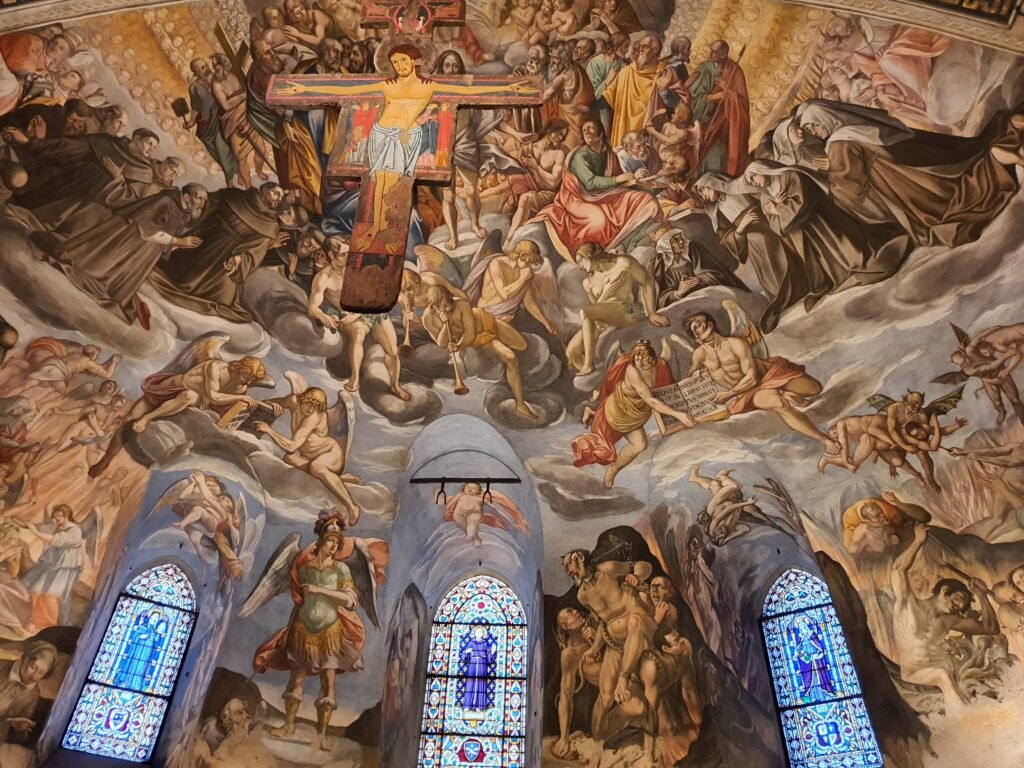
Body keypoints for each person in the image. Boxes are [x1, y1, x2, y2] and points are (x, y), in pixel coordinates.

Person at [274, 43, 540, 250]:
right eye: (395, 62)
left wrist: (511, 88)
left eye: (403, 61)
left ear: (415, 62)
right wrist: (299, 89)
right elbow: (345, 90)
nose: (399, 66)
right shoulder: (387, 84)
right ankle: (373, 231)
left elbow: (469, 92)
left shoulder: (430, 86)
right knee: (378, 185)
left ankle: (391, 234)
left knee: (394, 187)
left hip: (407, 138)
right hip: (382, 136)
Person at [253, 514, 368, 751]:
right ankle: (288, 725)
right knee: (296, 679)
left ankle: (322, 735)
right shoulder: (304, 569)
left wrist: (320, 590)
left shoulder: (341, 569)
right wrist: (287, 632)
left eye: (337, 542)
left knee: (328, 683)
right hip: (302, 629)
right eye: (330, 540)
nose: (334, 545)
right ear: (321, 541)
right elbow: (299, 604)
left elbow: (350, 601)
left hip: (330, 632)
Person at [88, 355, 281, 477]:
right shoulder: (216, 368)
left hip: (189, 402)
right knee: (130, 421)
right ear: (238, 368)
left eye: (251, 381)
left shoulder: (241, 386)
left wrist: (266, 408)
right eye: (245, 377)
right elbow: (214, 396)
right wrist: (241, 398)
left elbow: (228, 406)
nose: (246, 383)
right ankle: (106, 459)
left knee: (190, 399)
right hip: (167, 391)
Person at [54, 183, 208, 326]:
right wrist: (176, 241)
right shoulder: (166, 201)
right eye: (199, 198)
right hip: (130, 241)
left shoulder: (184, 214)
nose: (202, 203)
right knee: (99, 267)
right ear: (186, 197)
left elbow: (168, 237)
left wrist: (177, 243)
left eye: (204, 200)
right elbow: (147, 227)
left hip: (145, 251)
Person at [686, 312, 839, 454]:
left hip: (766, 375)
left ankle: (786, 391)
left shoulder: (736, 344)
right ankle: (823, 439)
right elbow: (691, 376)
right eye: (693, 331)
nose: (696, 332)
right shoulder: (699, 354)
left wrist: (728, 394)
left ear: (710, 324)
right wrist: (695, 374)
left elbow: (752, 378)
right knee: (779, 404)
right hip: (749, 392)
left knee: (814, 389)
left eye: (697, 326)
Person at [560, 546, 653, 758]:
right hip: (614, 643)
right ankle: (597, 745)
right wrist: (594, 648)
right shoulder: (582, 595)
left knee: (634, 620)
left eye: (569, 565)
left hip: (639, 627)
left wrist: (636, 576)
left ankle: (624, 677)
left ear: (580, 558)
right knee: (604, 697)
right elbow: (603, 622)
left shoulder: (609, 569)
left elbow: (645, 567)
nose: (567, 571)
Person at [891, 524, 999, 706]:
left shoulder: (950, 620)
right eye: (959, 598)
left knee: (947, 674)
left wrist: (982, 596)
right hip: (913, 670)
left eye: (961, 606)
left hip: (941, 664)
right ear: (944, 590)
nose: (959, 606)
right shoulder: (908, 602)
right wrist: (918, 541)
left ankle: (970, 714)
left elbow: (990, 628)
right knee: (942, 675)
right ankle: (966, 717)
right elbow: (898, 569)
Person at [149, 182, 285, 322]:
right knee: (174, 272)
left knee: (222, 298)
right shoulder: (236, 195)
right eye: (276, 193)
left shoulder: (271, 225)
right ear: (264, 190)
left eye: (281, 197)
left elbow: (256, 249)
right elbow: (208, 204)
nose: (279, 198)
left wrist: (239, 258)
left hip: (229, 259)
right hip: (207, 241)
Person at [529, 118, 662, 260]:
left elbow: (619, 181)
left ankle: (629, 242)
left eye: (590, 128)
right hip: (579, 199)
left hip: (606, 194)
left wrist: (634, 179)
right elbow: (590, 183)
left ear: (600, 132)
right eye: (584, 129)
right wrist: (617, 179)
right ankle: (597, 254)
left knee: (646, 200)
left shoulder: (609, 154)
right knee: (599, 221)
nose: (586, 131)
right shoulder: (580, 156)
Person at [572, 340, 694, 487]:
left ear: (653, 358)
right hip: (619, 412)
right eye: (636, 358)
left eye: (644, 358)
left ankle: (613, 467)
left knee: (640, 445)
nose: (640, 362)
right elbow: (651, 401)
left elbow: (665, 385)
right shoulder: (632, 371)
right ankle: (613, 467)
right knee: (604, 446)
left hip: (637, 415)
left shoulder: (660, 366)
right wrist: (678, 414)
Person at [307, 234, 410, 399]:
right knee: (359, 333)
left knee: (392, 349)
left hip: (368, 309)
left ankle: (395, 385)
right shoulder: (324, 277)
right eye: (343, 254)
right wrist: (323, 316)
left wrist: (357, 315)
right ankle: (355, 379)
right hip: (344, 313)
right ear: (331, 255)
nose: (349, 258)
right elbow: (312, 307)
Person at [256, 376, 364, 525]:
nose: (311, 410)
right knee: (289, 458)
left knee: (315, 467)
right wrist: (274, 405)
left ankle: (352, 506)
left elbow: (292, 446)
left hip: (331, 455)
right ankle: (337, 478)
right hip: (311, 458)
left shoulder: (314, 417)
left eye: (316, 408)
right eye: (309, 405)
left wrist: (270, 431)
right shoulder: (292, 401)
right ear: (302, 398)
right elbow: (270, 402)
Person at [421, 284, 537, 418]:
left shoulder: (461, 304)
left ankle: (504, 324)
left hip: (485, 323)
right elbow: (441, 343)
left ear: (449, 297)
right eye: (440, 306)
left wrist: (458, 346)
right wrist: (446, 324)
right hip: (481, 338)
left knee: (522, 345)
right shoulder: (428, 318)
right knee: (511, 358)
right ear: (433, 305)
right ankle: (520, 404)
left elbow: (469, 333)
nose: (445, 309)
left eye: (447, 304)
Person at [566, 243, 668, 376]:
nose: (580, 266)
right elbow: (597, 307)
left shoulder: (622, 262)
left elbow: (647, 282)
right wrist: (606, 293)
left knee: (585, 311)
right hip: (607, 317)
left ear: (590, 255)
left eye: (580, 260)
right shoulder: (588, 283)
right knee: (571, 352)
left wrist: (651, 313)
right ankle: (600, 380)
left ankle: (588, 365)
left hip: (626, 310)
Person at [687, 40, 749, 176]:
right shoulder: (704, 69)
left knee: (718, 156)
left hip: (723, 125)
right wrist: (715, 97)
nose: (710, 54)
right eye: (711, 50)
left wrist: (728, 91)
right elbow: (693, 99)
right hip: (703, 121)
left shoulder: (735, 72)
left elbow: (743, 103)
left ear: (724, 54)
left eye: (714, 52)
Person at [503, 120, 569, 249]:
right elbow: (519, 174)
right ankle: (515, 239)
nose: (561, 138)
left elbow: (552, 183)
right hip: (528, 190)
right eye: (560, 134)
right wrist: (515, 192)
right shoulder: (528, 148)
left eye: (564, 136)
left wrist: (536, 167)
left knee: (525, 199)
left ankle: (508, 241)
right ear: (550, 130)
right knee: (509, 206)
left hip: (549, 195)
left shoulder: (559, 154)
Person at [21, 504, 83, 630]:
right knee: (35, 590)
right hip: (51, 562)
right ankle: (34, 620)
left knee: (50, 596)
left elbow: (55, 540)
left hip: (64, 567)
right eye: (55, 516)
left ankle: (48, 626)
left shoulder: (75, 531)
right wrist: (27, 525)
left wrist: (34, 531)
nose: (57, 518)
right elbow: (43, 529)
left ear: (67, 515)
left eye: (60, 516)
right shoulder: (58, 527)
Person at [649, 229, 746, 308]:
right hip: (685, 307)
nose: (681, 241)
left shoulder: (694, 251)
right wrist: (678, 294)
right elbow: (659, 299)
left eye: (680, 237)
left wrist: (700, 279)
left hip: (710, 298)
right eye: (675, 240)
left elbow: (719, 274)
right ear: (666, 246)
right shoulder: (659, 267)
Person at [184, 57, 239, 186]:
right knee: (217, 152)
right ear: (195, 72)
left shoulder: (218, 79)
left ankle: (230, 180)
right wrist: (192, 121)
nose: (206, 69)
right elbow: (195, 107)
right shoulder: (194, 88)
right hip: (206, 124)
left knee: (221, 148)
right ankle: (234, 171)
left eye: (206, 66)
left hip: (220, 117)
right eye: (201, 68)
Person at [603, 33, 664, 147]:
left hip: (647, 135)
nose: (640, 49)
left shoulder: (664, 73)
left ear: (655, 50)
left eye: (645, 46)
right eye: (640, 46)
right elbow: (607, 98)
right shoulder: (626, 72)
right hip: (623, 132)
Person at [0, 641, 58, 743]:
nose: (34, 676)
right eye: (33, 668)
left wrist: (18, 728)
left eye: (41, 673)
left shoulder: (33, 695)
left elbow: (18, 739)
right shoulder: (2, 665)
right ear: (25, 659)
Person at [460, 625, 496, 712]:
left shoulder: (484, 643)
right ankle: (467, 705)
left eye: (481, 632)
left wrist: (493, 652)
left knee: (481, 683)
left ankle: (480, 706)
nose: (479, 633)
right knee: (470, 683)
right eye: (477, 632)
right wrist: (466, 652)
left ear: (483, 634)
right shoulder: (471, 642)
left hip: (482, 664)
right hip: (472, 663)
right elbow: (464, 657)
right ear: (474, 633)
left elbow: (489, 657)